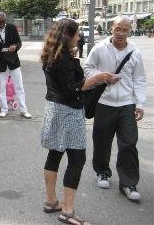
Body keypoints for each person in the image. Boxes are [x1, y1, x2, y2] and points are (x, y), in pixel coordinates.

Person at [40, 18, 115, 225]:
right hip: (68, 111)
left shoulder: (52, 55)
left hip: (54, 109)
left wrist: (95, 80)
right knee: (77, 159)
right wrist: (93, 80)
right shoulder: (62, 58)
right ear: (68, 36)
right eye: (77, 33)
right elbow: (72, 89)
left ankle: (51, 201)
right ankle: (67, 211)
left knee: (54, 154)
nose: (79, 36)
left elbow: (65, 85)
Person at [84, 16, 146, 202]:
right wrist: (102, 76)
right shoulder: (100, 48)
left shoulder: (135, 52)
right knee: (102, 141)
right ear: (112, 28)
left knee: (129, 143)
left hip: (127, 104)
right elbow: (88, 68)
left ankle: (128, 183)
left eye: (125, 30)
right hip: (104, 103)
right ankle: (103, 172)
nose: (121, 33)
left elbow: (140, 79)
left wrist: (140, 103)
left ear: (130, 30)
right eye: (118, 28)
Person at [0, 12, 32, 119]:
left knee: (19, 86)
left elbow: (19, 42)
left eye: (3, 21)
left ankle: (23, 110)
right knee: (1, 88)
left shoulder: (12, 28)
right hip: (0, 63)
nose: (1, 23)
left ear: (5, 20)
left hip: (13, 61)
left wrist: (15, 47)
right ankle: (4, 109)